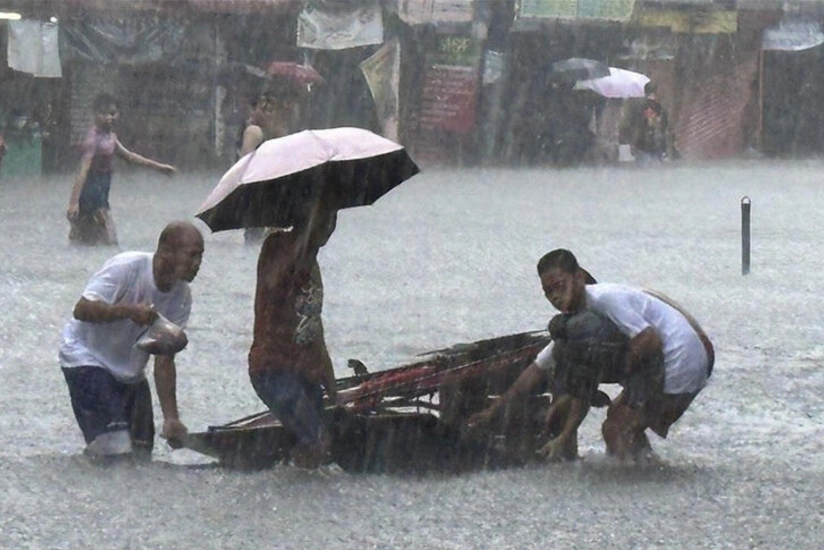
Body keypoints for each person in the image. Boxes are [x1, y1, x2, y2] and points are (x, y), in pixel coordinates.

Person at [467, 249, 713, 463]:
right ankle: (647, 470)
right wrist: (493, 411)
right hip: (677, 355)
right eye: (548, 291)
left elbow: (648, 339)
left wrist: (607, 375)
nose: (555, 297)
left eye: (560, 286)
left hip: (681, 358)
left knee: (616, 428)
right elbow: (535, 372)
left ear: (579, 277)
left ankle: (631, 490)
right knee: (621, 415)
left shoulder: (605, 299)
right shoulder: (577, 325)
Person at [59, 221, 205, 461]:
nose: (197, 264)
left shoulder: (182, 297)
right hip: (86, 357)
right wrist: (128, 311)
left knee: (141, 453)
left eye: (200, 257)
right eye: (191, 255)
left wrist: (171, 417)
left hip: (129, 373)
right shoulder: (126, 267)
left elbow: (164, 359)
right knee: (115, 447)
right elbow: (82, 309)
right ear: (166, 252)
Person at [247, 184, 340, 468]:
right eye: (323, 217)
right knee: (316, 442)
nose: (329, 226)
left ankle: (294, 479)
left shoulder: (313, 267)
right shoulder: (276, 246)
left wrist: (333, 390)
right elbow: (274, 282)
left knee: (320, 445)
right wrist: (304, 239)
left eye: (333, 219)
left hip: (306, 372)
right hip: (273, 369)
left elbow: (315, 329)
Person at [66, 93, 176, 246]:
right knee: (108, 235)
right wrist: (73, 202)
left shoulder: (111, 137)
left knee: (86, 235)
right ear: (95, 114)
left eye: (112, 113)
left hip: (103, 187)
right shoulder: (93, 139)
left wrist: (159, 167)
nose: (109, 117)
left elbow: (130, 157)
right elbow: (82, 171)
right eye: (104, 113)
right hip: (90, 189)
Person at [238, 82, 303, 245]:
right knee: (257, 240)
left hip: (276, 195)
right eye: (263, 107)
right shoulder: (255, 131)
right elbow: (244, 162)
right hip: (259, 196)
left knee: (272, 241)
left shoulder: (281, 132)